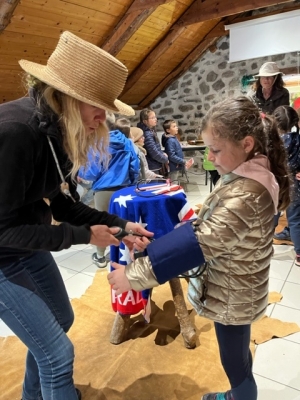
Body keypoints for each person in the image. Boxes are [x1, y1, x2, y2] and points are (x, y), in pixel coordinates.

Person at [0, 31, 153, 400]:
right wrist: (84, 237)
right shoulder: (16, 132)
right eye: (96, 105)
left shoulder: (57, 131)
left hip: (24, 244)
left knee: (62, 320)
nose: (103, 116)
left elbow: (62, 203)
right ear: (66, 96)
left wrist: (121, 225)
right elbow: (2, 231)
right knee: (57, 355)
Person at [107, 96, 290, 400]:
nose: (210, 156)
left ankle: (239, 396)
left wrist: (133, 274)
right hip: (236, 284)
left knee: (235, 363)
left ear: (246, 144)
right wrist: (159, 243)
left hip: (234, 292)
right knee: (236, 353)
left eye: (216, 150)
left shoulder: (247, 194)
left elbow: (201, 242)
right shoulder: (248, 173)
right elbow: (212, 228)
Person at [78, 113, 140, 268]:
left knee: (102, 224)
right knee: (124, 221)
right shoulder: (127, 142)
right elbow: (135, 166)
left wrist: (80, 173)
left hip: (104, 191)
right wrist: (131, 183)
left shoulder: (98, 143)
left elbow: (92, 171)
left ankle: (100, 257)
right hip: (125, 189)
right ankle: (126, 255)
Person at [273, 105, 300, 266]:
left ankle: (264, 248)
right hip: (295, 185)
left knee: (272, 216)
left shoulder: (274, 142)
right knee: (295, 219)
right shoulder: (298, 139)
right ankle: (299, 254)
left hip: (276, 184)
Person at [137, 108, 169, 176]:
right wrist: (165, 159)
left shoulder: (150, 131)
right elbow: (153, 152)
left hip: (154, 164)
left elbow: (156, 148)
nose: (156, 119)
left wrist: (162, 153)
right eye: (152, 118)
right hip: (152, 166)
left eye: (155, 117)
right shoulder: (146, 134)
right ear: (145, 121)